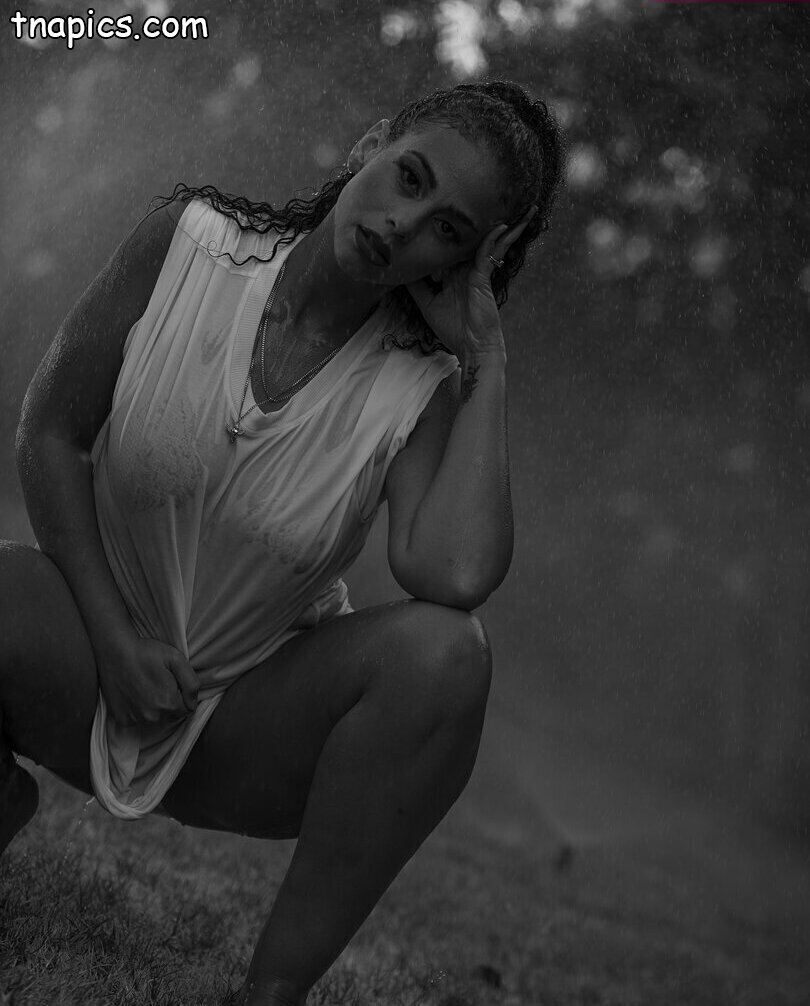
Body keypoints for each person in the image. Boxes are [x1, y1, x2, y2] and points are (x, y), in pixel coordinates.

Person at [0, 78, 565, 1005]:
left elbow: (453, 574)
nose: (404, 224)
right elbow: (50, 434)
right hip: (86, 655)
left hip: (238, 728)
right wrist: (115, 639)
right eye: (410, 177)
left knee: (447, 656)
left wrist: (486, 361)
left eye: (447, 230)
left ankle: (271, 993)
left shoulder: (420, 388)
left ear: (462, 263)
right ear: (372, 144)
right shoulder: (186, 245)